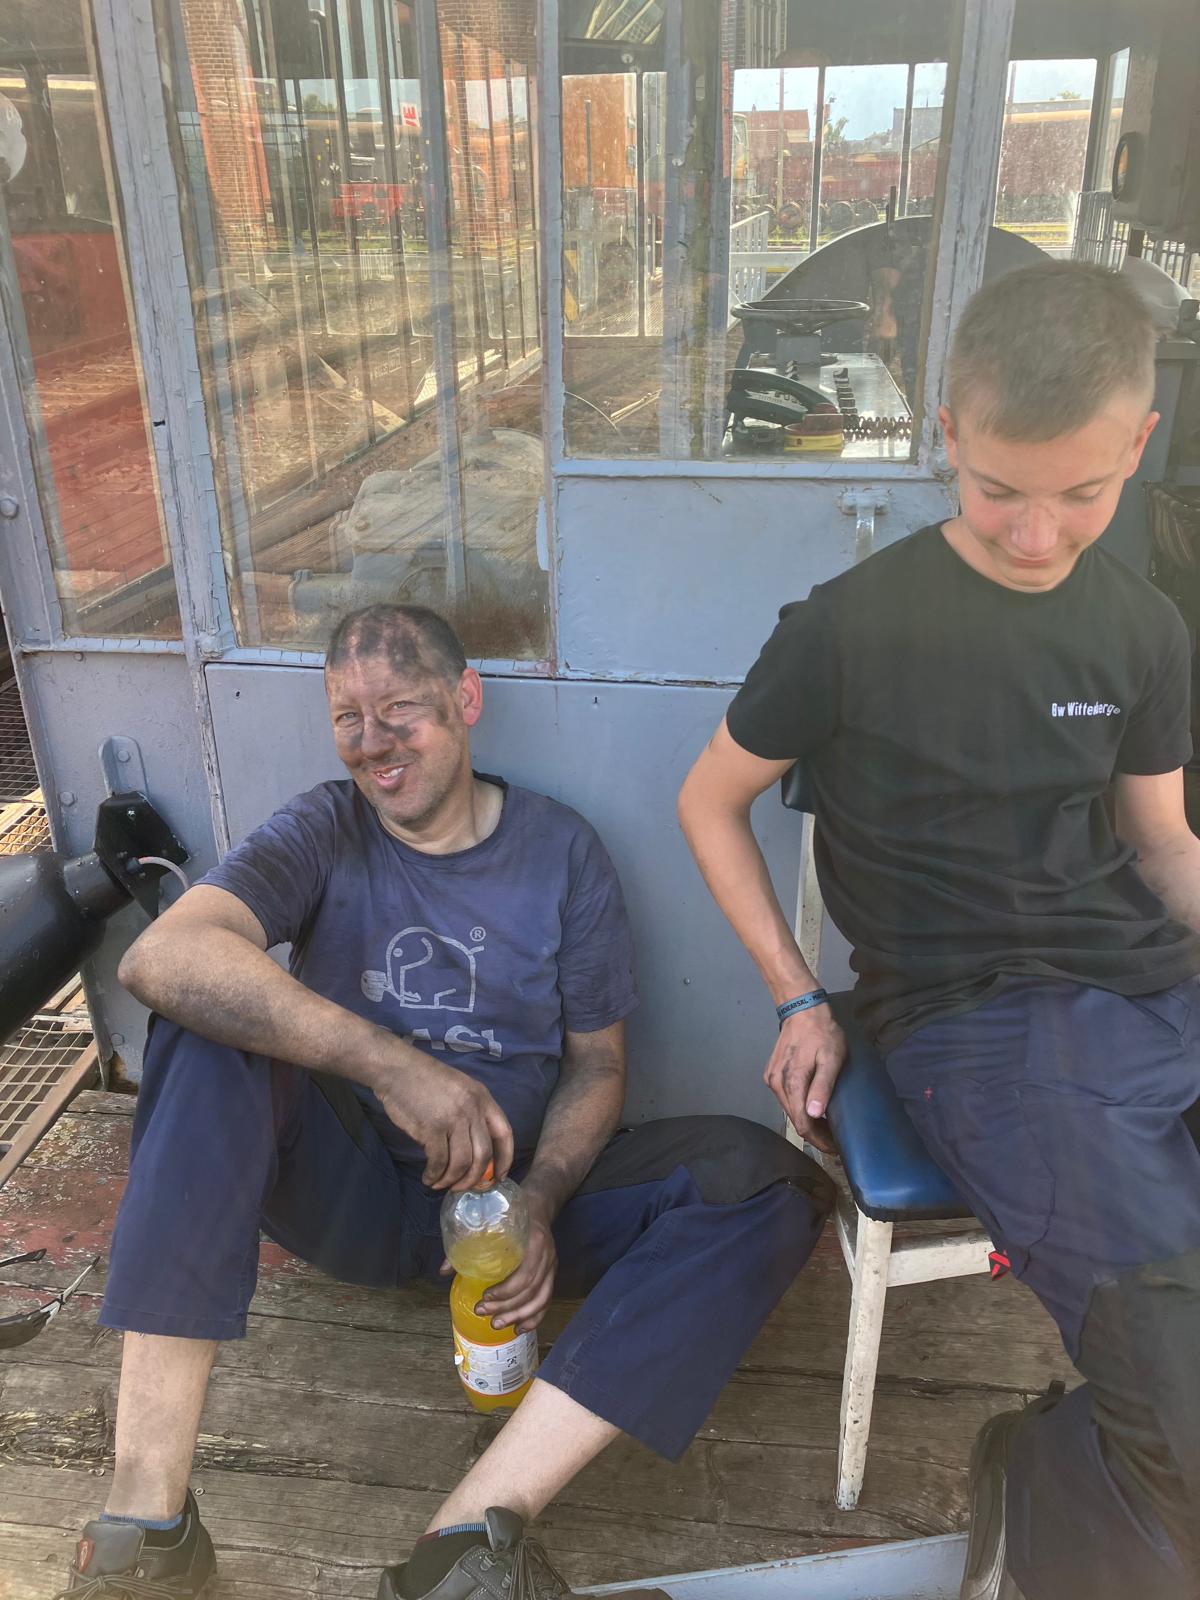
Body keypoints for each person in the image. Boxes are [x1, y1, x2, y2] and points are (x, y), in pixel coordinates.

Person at [61, 602, 832, 1600]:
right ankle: (146, 1525)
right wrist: (393, 1066)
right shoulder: (324, 827)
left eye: (400, 709)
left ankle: (462, 1548)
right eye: (348, 718)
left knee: (765, 1182)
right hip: (352, 1191)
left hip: (512, 1214)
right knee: (203, 1019)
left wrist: (541, 1200)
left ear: (466, 700)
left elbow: (597, 1066)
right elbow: (162, 957)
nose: (373, 743)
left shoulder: (563, 851)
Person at [677, 261, 1200, 1600]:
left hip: (1153, 987)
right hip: (980, 1021)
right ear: (948, 434)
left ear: (1141, 443)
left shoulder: (1144, 628)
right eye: (1001, 489)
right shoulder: (849, 630)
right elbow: (710, 802)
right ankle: (1038, 1478)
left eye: (1082, 494)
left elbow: (1160, 841)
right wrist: (797, 994)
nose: (1036, 534)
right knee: (1179, 1382)